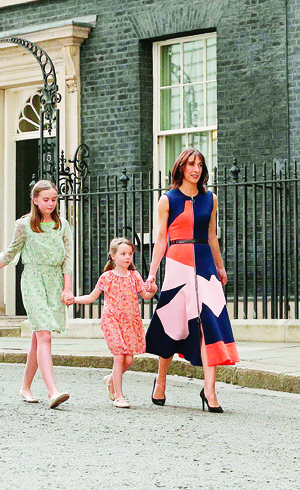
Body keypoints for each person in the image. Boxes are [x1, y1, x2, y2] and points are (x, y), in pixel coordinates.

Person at [145, 148, 240, 413]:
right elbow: (161, 239)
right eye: (190, 165)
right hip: (178, 264)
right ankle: (161, 380)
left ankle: (209, 390)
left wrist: (220, 267)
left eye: (199, 165)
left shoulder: (211, 199)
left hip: (205, 265)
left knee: (211, 323)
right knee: (173, 326)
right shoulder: (168, 200)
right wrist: (152, 273)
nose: (195, 169)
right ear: (181, 168)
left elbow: (212, 236)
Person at [0, 180, 73, 409]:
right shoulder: (24, 224)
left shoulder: (63, 225)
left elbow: (68, 260)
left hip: (55, 281)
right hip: (33, 280)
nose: (50, 203)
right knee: (44, 334)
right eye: (45, 199)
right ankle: (52, 391)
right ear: (35, 200)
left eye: (54, 199)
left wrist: (67, 288)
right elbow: (11, 251)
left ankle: (25, 387)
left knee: (38, 339)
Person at [68, 238, 157, 408]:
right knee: (119, 356)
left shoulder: (135, 275)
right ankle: (119, 396)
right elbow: (91, 297)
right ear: (113, 256)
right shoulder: (107, 277)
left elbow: (145, 295)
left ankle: (110, 379)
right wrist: (74, 299)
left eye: (130, 254)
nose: (127, 257)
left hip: (130, 322)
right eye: (123, 254)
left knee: (128, 360)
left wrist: (153, 290)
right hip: (112, 321)